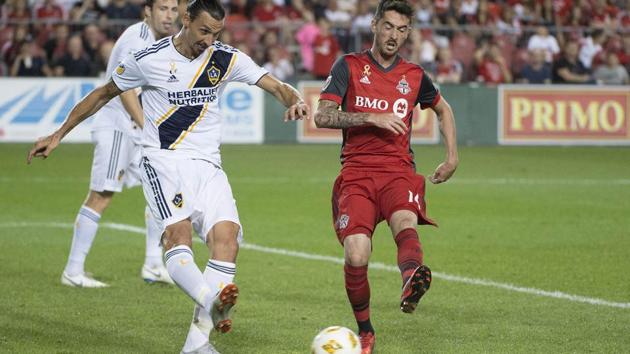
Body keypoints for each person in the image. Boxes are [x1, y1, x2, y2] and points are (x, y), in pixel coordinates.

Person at [28, 1, 309, 353]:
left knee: (228, 240)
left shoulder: (225, 58)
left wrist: (294, 100)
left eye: (216, 33)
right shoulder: (150, 58)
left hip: (208, 164)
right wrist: (58, 134)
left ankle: (195, 345)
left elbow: (276, 84)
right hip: (163, 161)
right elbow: (102, 94)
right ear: (186, 19)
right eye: (204, 31)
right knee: (178, 237)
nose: (209, 40)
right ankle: (211, 300)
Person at [314, 1, 458, 353]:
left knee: (405, 220)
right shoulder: (349, 65)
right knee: (357, 253)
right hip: (357, 174)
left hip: (397, 171)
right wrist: (369, 118)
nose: (394, 35)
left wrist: (452, 156)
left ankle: (411, 279)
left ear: (408, 33)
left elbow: (443, 108)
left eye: (402, 29)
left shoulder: (414, 75)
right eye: (389, 26)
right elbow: (322, 116)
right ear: (375, 25)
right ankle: (365, 330)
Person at [55, 0, 178, 289]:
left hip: (138, 129)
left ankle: (153, 264)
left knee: (160, 190)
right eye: (163, 9)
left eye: (174, 10)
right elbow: (124, 91)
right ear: (148, 11)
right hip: (118, 126)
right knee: (102, 195)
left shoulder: (168, 44)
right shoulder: (137, 39)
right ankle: (73, 271)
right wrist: (151, 128)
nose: (169, 15)